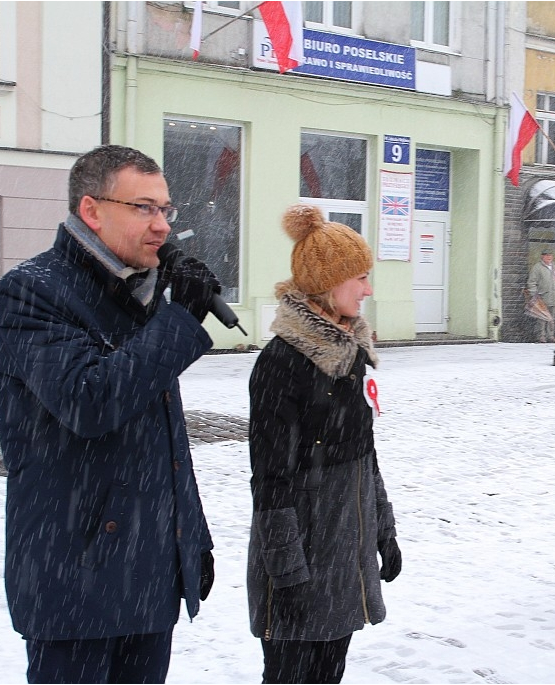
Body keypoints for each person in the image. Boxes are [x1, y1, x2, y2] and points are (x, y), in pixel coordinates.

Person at [0, 145, 219, 683]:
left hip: (148, 574)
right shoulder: (33, 292)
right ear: (91, 210)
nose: (161, 225)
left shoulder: (140, 295)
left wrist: (190, 537)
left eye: (166, 209)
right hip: (75, 580)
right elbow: (90, 402)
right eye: (144, 207)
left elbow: (162, 439)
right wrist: (179, 318)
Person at [248, 204, 402, 684]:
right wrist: (286, 571)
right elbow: (270, 479)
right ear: (327, 283)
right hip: (301, 561)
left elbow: (364, 458)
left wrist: (383, 530)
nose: (368, 289)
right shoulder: (282, 363)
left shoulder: (348, 354)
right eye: (359, 277)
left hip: (342, 561)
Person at [526, 250, 555, 342]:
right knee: (541, 318)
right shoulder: (537, 268)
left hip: (554, 297)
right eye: (546, 255)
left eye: (550, 255)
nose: (549, 257)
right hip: (542, 297)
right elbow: (532, 282)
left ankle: (550, 336)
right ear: (542, 257)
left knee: (551, 318)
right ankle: (541, 336)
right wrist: (534, 294)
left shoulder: (554, 267)